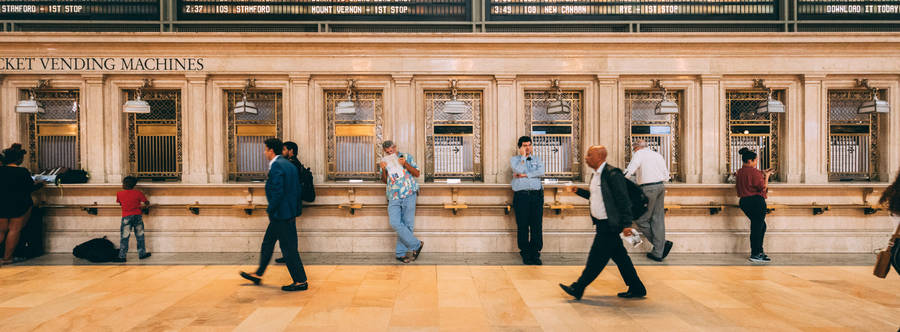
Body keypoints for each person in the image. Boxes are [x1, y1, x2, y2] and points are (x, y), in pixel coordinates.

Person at [559, 145, 647, 300]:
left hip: (610, 225)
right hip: (602, 223)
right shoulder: (596, 175)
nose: (586, 158)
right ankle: (637, 287)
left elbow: (623, 200)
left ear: (599, 157)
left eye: (589, 155)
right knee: (620, 257)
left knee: (596, 259)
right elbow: (596, 197)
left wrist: (627, 224)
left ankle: (578, 287)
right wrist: (576, 190)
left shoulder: (613, 174)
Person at [240, 138, 308, 291]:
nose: (264, 152)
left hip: (281, 214)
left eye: (265, 149)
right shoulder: (289, 165)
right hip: (287, 213)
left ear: (271, 150)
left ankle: (300, 281)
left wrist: (271, 209)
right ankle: (258, 273)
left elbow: (278, 191)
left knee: (288, 248)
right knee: (268, 243)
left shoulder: (277, 166)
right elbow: (297, 190)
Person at [623, 139, 672, 262]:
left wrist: (620, 180)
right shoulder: (657, 155)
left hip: (648, 189)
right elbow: (666, 175)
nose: (634, 151)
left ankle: (661, 245)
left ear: (636, 148)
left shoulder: (639, 154)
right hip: (661, 187)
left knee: (641, 219)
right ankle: (658, 251)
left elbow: (630, 171)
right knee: (658, 218)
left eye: (634, 149)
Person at [380, 140, 423, 264]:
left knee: (408, 225)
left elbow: (417, 173)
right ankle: (417, 245)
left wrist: (405, 164)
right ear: (385, 151)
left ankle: (400, 254)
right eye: (387, 151)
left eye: (391, 150)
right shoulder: (384, 161)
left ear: (395, 147)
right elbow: (384, 180)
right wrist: (383, 169)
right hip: (393, 195)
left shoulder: (406, 157)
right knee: (395, 223)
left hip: (409, 193)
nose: (390, 152)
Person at [0, 144, 44, 264]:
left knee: (1, 231)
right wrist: (40, 183)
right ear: (19, 159)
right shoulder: (22, 171)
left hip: (1, 203)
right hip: (19, 204)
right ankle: (7, 258)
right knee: (14, 230)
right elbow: (29, 187)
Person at [274, 141, 316, 264]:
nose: (282, 152)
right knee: (289, 230)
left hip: (289, 204)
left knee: (288, 231)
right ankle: (289, 255)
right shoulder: (293, 164)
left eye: (284, 150)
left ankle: (290, 255)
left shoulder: (292, 165)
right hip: (291, 203)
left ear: (291, 151)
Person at [510, 136, 545, 265]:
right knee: (523, 225)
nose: (528, 148)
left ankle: (535, 253)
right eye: (525, 145)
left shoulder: (537, 159)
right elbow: (517, 170)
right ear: (519, 147)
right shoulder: (515, 160)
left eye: (529, 145)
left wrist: (525, 175)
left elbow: (541, 171)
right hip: (521, 196)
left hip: (536, 196)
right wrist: (523, 158)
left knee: (536, 225)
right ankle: (525, 252)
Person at [735, 147, 774, 263]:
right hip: (756, 201)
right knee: (758, 227)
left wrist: (761, 173)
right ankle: (756, 253)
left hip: (744, 202)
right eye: (756, 161)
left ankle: (758, 252)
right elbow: (763, 187)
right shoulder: (755, 172)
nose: (757, 163)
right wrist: (766, 176)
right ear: (750, 161)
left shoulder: (739, 172)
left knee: (760, 226)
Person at [112, 176, 151, 262]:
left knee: (124, 237)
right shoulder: (138, 193)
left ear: (125, 184)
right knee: (140, 236)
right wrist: (145, 206)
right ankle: (142, 254)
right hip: (137, 216)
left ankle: (122, 256)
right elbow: (146, 202)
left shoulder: (119, 194)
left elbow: (120, 203)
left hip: (126, 217)